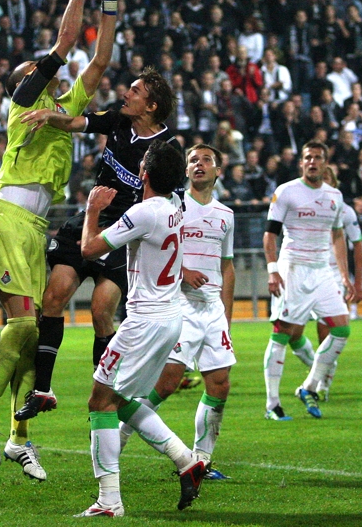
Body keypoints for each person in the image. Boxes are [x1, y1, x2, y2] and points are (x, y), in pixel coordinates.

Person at [0, 0, 121, 481]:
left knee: (32, 332)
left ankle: (18, 436)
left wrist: (111, 0)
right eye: (38, 75)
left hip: (33, 228)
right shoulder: (24, 102)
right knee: (20, 324)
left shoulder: (61, 107)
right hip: (8, 216)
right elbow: (62, 46)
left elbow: (99, 60)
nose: (49, 78)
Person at [14, 66, 182, 421]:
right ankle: (42, 390)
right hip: (90, 215)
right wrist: (48, 115)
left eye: (134, 91)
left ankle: (101, 398)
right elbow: (76, 123)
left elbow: (175, 204)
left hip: (125, 230)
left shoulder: (167, 148)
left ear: (150, 106)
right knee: (53, 297)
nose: (126, 93)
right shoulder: (118, 120)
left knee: (101, 310)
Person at [74, 140, 209, 517]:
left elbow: (89, 249)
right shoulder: (176, 207)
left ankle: (109, 502)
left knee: (100, 402)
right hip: (169, 319)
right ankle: (187, 460)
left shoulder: (143, 213)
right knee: (123, 400)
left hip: (144, 322)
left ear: (144, 173)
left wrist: (92, 210)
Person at [119, 144, 236, 481]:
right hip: (178, 303)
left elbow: (227, 268)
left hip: (212, 309)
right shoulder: (172, 205)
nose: (199, 165)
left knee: (220, 384)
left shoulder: (226, 215)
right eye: (192, 160)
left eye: (206, 160)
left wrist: (225, 316)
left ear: (218, 170)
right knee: (168, 382)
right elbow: (156, 245)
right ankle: (122, 434)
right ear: (185, 171)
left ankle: (202, 459)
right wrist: (183, 271)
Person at [263, 140, 354, 421]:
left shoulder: (334, 196)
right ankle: (272, 404)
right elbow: (270, 235)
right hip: (294, 268)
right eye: (308, 158)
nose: (313, 162)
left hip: (322, 271)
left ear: (326, 163)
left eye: (318, 157)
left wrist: (344, 274)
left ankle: (309, 386)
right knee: (282, 333)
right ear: (301, 162)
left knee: (341, 330)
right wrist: (273, 269)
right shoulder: (287, 192)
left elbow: (338, 236)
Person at [289, 165, 362, 401]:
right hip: (302, 272)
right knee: (293, 333)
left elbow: (358, 246)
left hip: (331, 275)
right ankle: (319, 371)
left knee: (327, 331)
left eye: (327, 177)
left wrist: (357, 281)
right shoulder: (302, 206)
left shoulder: (344, 211)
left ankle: (321, 386)